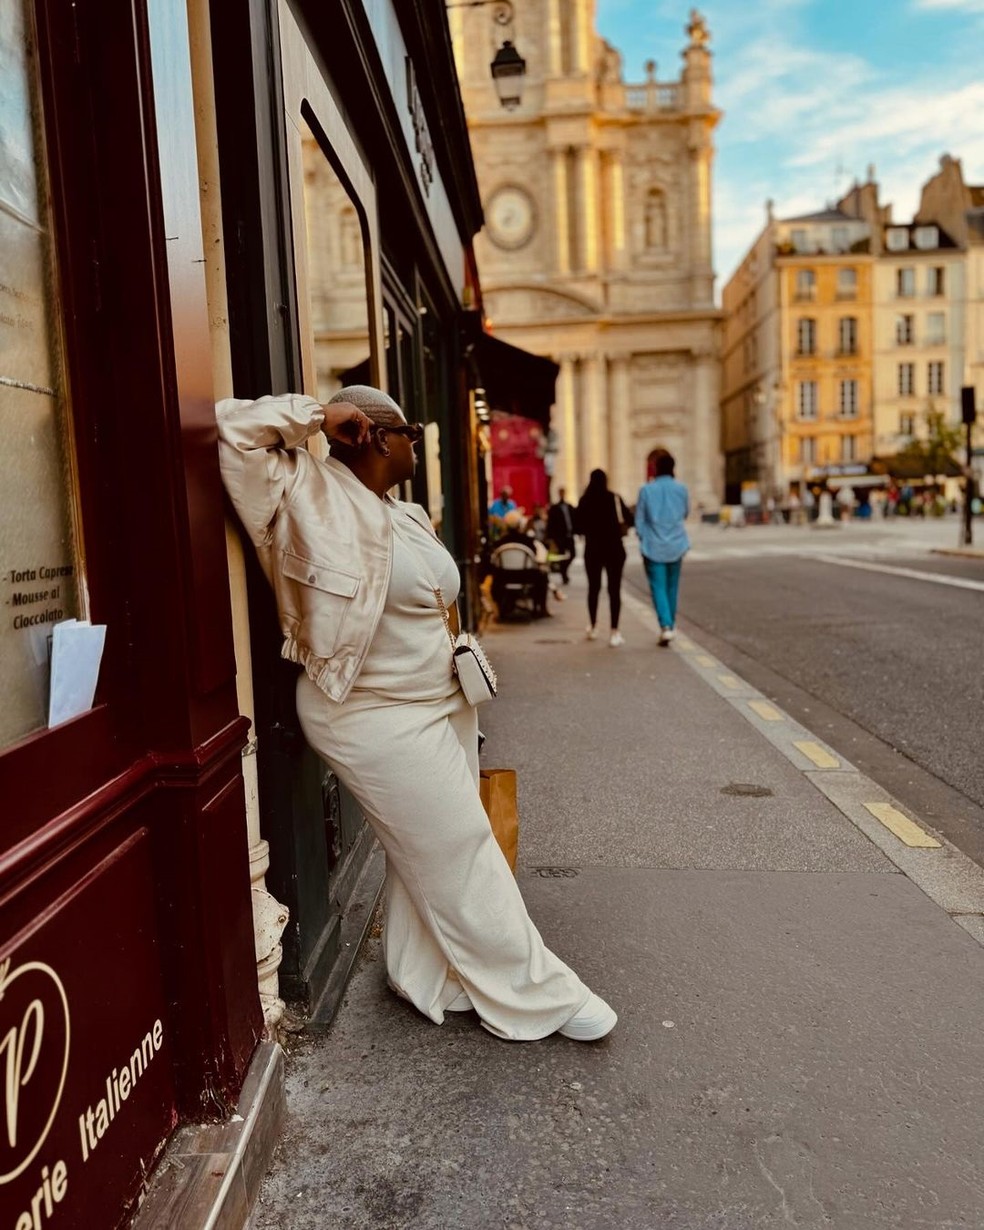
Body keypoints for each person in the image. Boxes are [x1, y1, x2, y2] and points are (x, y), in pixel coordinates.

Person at [216, 387, 615, 1042]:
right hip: (367, 711)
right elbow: (231, 431)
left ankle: (422, 972)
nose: (416, 444)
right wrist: (319, 415)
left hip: (441, 702)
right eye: (407, 432)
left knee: (422, 849)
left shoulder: (404, 513)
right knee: (460, 845)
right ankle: (537, 994)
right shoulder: (299, 493)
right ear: (370, 434)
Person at [634, 450, 689, 646]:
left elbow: (639, 520)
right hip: (676, 544)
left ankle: (665, 626)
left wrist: (643, 537)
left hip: (653, 545)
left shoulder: (646, 490)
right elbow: (685, 513)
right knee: (672, 587)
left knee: (658, 587)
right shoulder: (682, 489)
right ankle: (670, 625)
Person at [574, 468, 630, 648]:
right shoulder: (614, 498)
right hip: (614, 549)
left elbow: (577, 527)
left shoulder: (585, 501)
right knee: (614, 591)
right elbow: (630, 519)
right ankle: (614, 631)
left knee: (593, 589)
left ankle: (593, 626)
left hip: (593, 550)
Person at [493, 510, 550, 618]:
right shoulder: (528, 541)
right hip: (526, 577)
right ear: (520, 525)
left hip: (504, 577)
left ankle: (502, 608)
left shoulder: (500, 542)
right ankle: (541, 608)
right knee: (543, 575)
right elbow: (536, 557)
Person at [546, 487, 576, 583]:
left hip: (569, 535)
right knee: (562, 555)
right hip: (560, 536)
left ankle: (564, 570)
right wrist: (550, 537)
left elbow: (574, 520)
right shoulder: (554, 508)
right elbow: (550, 523)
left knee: (573, 554)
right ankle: (564, 574)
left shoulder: (569, 507)